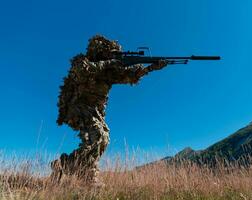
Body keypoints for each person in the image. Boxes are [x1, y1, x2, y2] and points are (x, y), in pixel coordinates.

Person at [51, 35, 168, 183]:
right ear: (100, 52)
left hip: (95, 111)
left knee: (103, 139)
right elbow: (82, 71)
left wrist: (151, 67)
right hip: (77, 107)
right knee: (97, 135)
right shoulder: (82, 61)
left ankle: (63, 164)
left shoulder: (110, 72)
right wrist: (109, 62)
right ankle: (88, 180)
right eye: (110, 54)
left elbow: (131, 76)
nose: (113, 57)